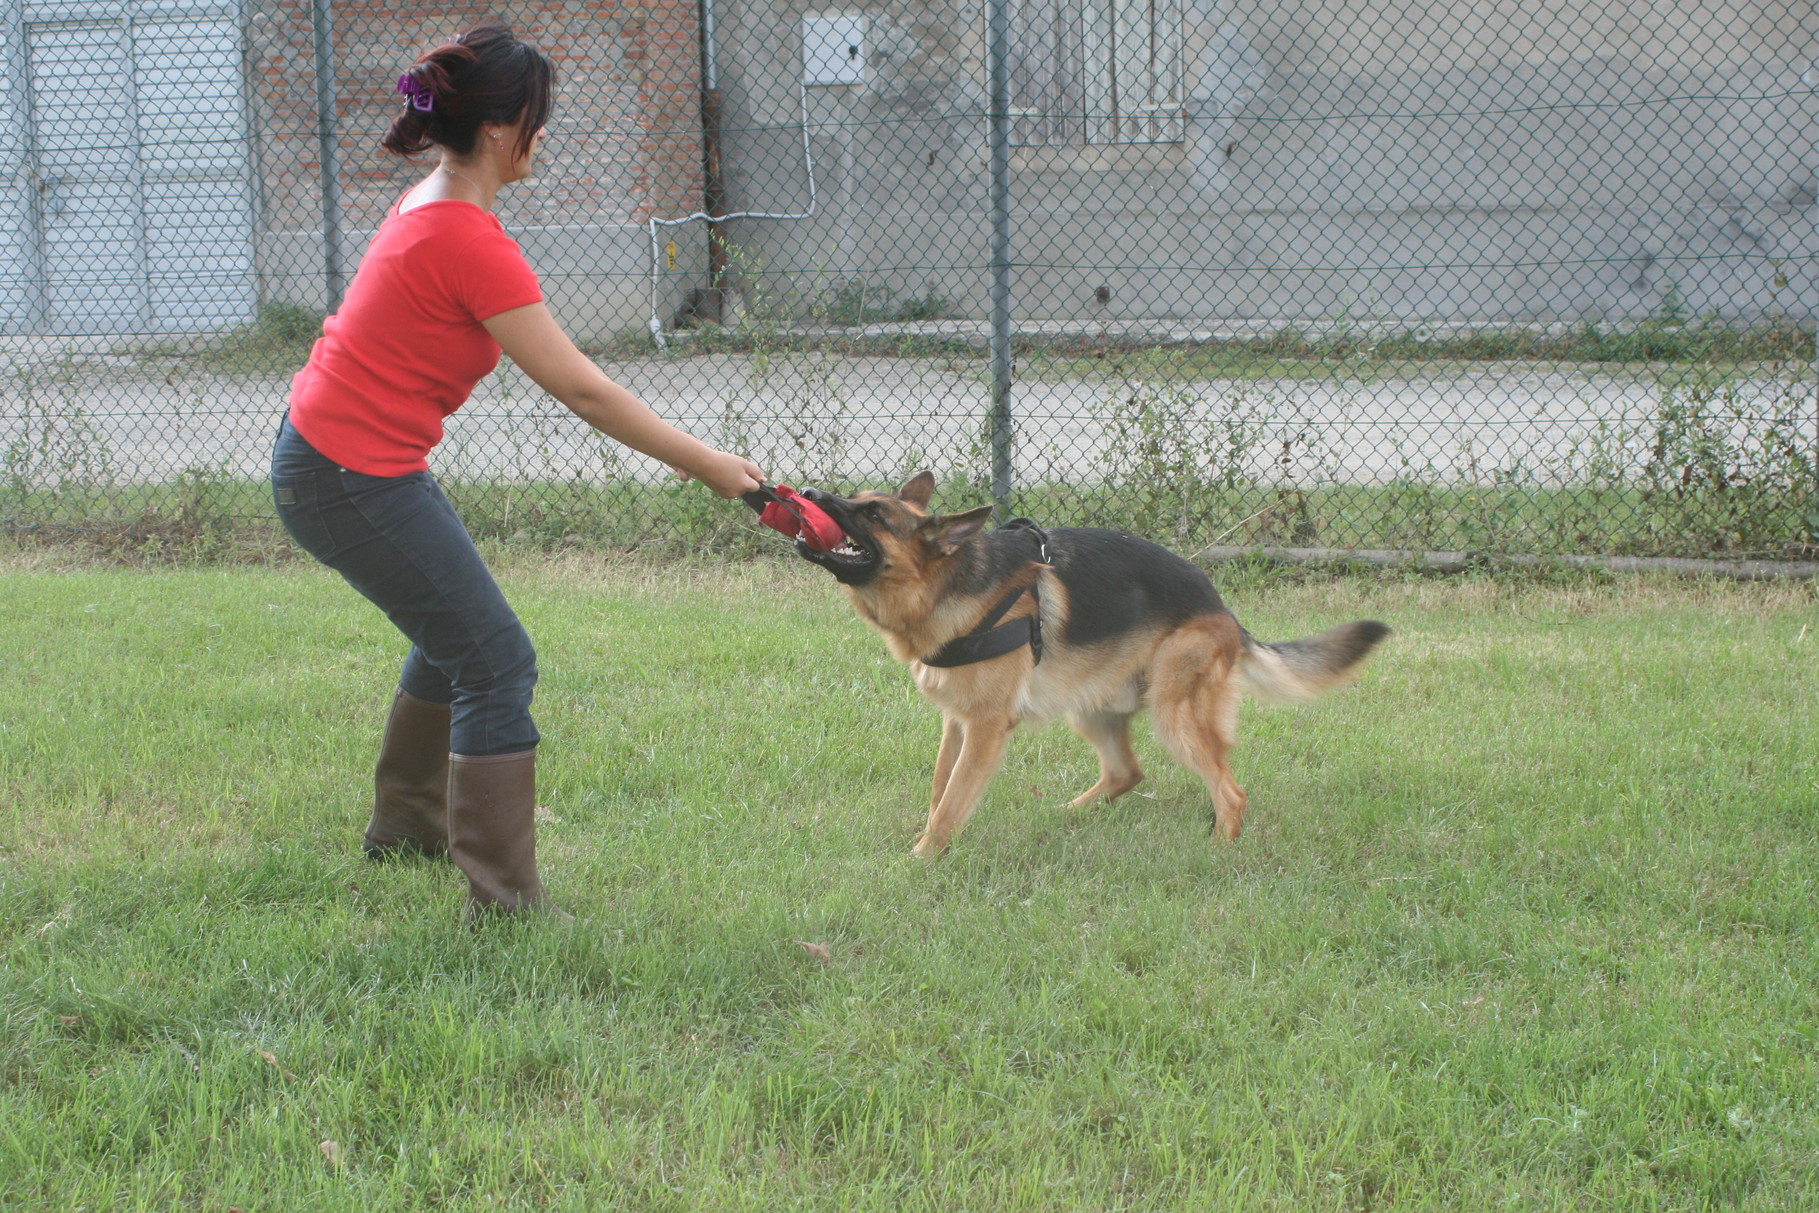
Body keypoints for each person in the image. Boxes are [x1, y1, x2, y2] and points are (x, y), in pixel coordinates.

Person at [270, 24, 763, 919]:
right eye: (539, 118)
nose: (546, 135)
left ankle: (407, 826)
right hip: (347, 473)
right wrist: (709, 466)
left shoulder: (439, 201)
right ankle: (501, 905)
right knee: (496, 660)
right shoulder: (463, 233)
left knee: (454, 634)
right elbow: (582, 387)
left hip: (344, 460)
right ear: (502, 130)